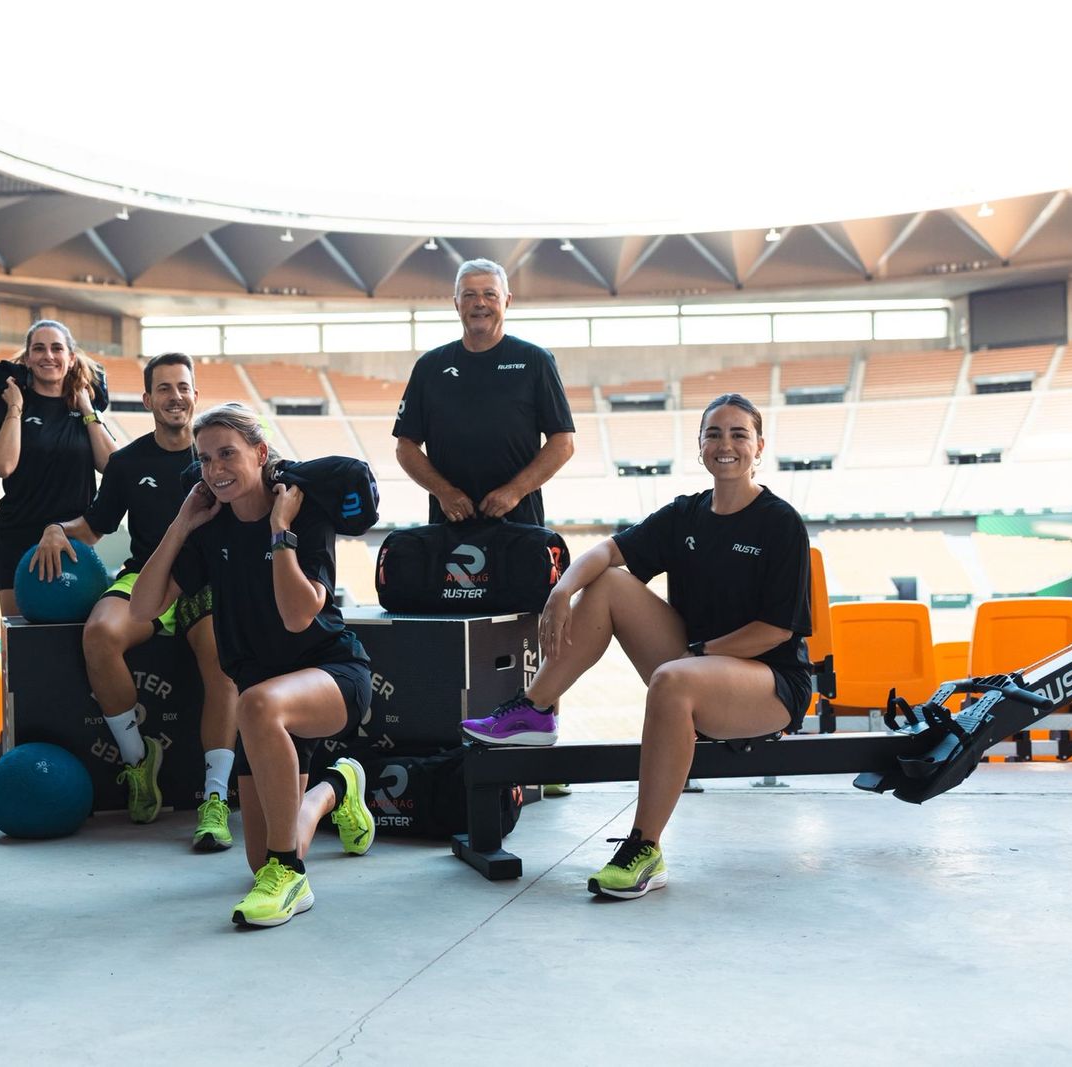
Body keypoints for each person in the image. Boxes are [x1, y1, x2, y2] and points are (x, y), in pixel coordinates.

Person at [459, 393, 812, 900]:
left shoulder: (779, 523)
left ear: (759, 447)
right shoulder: (686, 515)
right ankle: (535, 710)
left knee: (673, 678)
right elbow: (607, 551)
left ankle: (645, 847)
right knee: (607, 584)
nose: (726, 444)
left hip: (768, 683)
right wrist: (563, 590)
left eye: (739, 434)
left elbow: (776, 630)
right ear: (700, 447)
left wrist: (699, 655)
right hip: (697, 666)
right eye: (714, 433)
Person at [131, 403, 377, 928]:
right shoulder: (208, 528)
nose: (215, 469)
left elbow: (296, 616)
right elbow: (142, 609)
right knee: (258, 858)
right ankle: (337, 786)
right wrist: (180, 524)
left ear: (261, 453)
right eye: (204, 460)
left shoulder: (302, 511)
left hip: (331, 677)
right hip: (264, 712)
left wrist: (280, 529)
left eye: (227, 454)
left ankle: (291, 878)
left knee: (257, 704)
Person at [29, 353, 239, 848]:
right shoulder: (127, 462)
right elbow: (95, 526)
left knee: (220, 658)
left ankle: (213, 798)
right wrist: (57, 528)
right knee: (99, 634)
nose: (175, 396)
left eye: (183, 387)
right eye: (164, 388)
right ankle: (138, 761)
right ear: (147, 400)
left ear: (195, 394)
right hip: (148, 577)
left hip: (207, 585)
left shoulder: (220, 459)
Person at [394, 258, 576, 526]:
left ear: (507, 301)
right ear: (456, 303)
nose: (480, 303)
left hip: (519, 524)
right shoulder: (430, 366)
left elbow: (563, 442)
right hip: (449, 523)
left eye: (490, 294)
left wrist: (515, 491)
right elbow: (405, 446)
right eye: (469, 295)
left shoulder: (535, 360)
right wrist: (444, 492)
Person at [0, 319, 116, 616]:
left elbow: (111, 465)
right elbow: (3, 465)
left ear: (70, 358)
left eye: (57, 348)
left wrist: (87, 409)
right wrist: (15, 408)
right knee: (21, 648)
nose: (48, 356)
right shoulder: (9, 402)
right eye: (38, 349)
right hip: (18, 539)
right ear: (28, 358)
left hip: (72, 540)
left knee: (71, 646)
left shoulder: (84, 408)